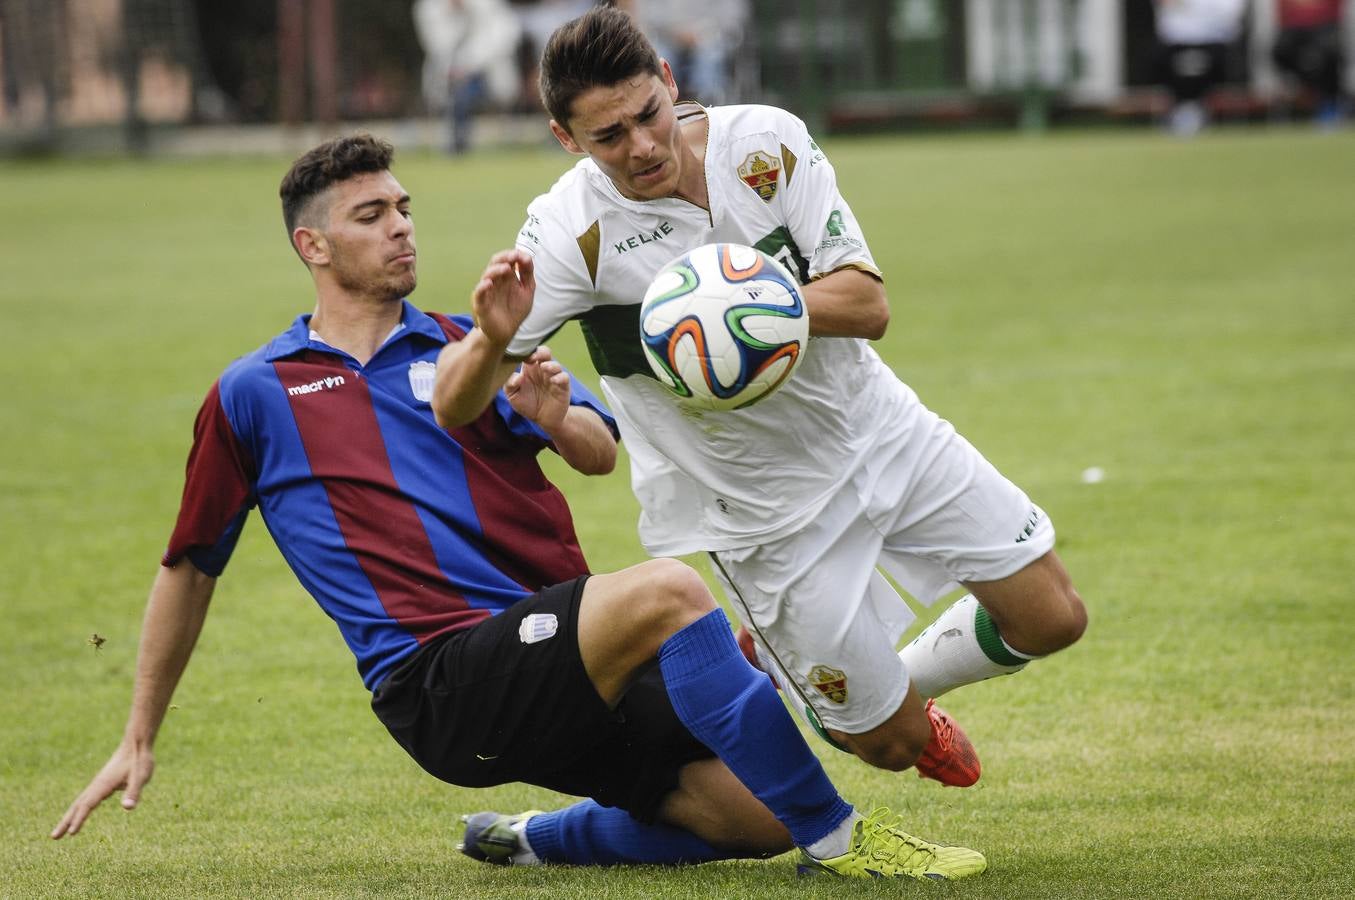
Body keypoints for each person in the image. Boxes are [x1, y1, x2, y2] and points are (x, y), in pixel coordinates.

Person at [48, 133, 986, 882]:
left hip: (568, 658)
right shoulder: (257, 392)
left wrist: (551, 411)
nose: (401, 228)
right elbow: (190, 565)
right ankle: (844, 840)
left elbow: (599, 448)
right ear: (314, 245)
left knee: (753, 823)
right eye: (371, 215)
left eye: (405, 208)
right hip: (440, 679)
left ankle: (535, 839)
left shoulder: (473, 344)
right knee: (670, 593)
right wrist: (138, 736)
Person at [433, 5, 1086, 800]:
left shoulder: (764, 144)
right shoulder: (568, 236)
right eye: (608, 136)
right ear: (566, 138)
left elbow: (867, 304)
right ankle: (862, 709)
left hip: (878, 432)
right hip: (759, 514)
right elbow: (451, 404)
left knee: (1053, 618)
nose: (641, 145)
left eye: (649, 113)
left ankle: (890, 681)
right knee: (885, 744)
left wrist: (741, 310)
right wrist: (487, 340)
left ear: (670, 81)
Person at [413, 0, 523, 153]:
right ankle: (455, 142)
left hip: (486, 70)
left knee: (493, 86)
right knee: (455, 94)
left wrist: (470, 64)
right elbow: (438, 45)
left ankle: (511, 139)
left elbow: (505, 35)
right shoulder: (429, 8)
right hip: (450, 74)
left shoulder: (489, 5)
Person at [617, 0, 750, 105]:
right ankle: (661, 104)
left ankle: (707, 104)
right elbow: (649, 13)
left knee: (709, 56)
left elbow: (733, 15)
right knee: (657, 55)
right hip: (668, 37)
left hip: (709, 37)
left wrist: (702, 32)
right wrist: (676, 32)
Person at [1152, 0, 1248, 136]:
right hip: (1177, 45)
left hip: (1216, 44)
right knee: (1172, 65)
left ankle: (1200, 110)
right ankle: (1184, 110)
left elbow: (1230, 14)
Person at [1272, 0, 1349, 126]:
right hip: (1295, 28)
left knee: (1329, 53)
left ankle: (1329, 104)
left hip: (1326, 25)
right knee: (1280, 51)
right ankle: (1302, 88)